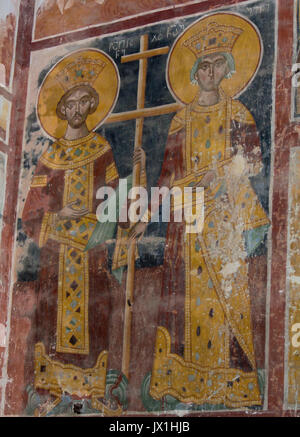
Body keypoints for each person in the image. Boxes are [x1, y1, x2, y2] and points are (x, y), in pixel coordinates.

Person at [132, 19, 270, 408]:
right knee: (181, 300)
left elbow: (255, 162)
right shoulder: (180, 119)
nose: (210, 72)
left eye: (217, 63)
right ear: (195, 73)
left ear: (228, 68)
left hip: (225, 217)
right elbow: (166, 176)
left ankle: (231, 386)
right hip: (186, 220)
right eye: (203, 66)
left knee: (229, 300)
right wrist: (145, 216)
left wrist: (221, 172)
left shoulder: (239, 112)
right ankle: (184, 384)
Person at [21, 50, 144, 415]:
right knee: (49, 319)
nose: (76, 109)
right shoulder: (49, 156)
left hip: (91, 250)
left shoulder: (100, 149)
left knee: (97, 316)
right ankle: (49, 390)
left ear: (91, 106)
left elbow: (113, 201)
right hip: (57, 253)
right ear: (62, 108)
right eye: (70, 103)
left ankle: (93, 390)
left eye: (83, 102)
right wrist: (59, 212)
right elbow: (31, 212)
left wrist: (134, 193)